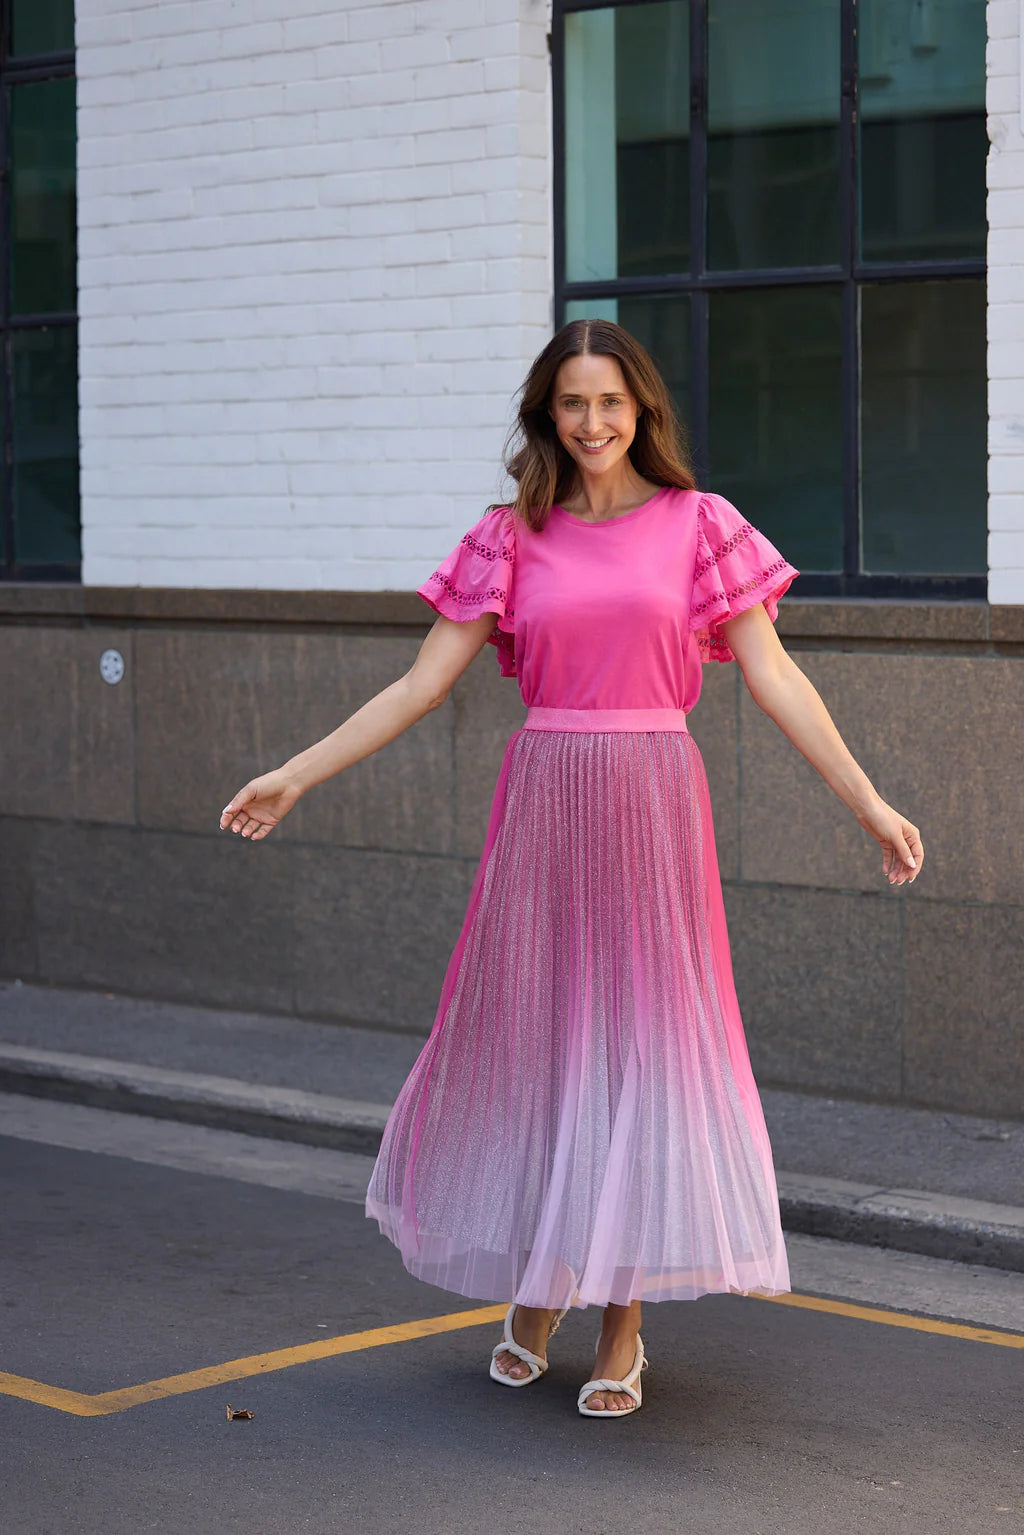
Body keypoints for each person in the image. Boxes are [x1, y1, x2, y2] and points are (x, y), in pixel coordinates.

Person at [220, 319, 923, 1419]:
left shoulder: (701, 524)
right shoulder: (509, 535)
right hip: (545, 802)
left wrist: (869, 802)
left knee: (639, 1050)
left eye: (610, 401)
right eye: (571, 403)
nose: (592, 422)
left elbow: (778, 677)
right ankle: (541, 1287)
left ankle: (622, 1325)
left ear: (642, 409)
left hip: (652, 803)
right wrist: (294, 774)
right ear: (547, 415)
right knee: (546, 1045)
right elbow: (420, 685)